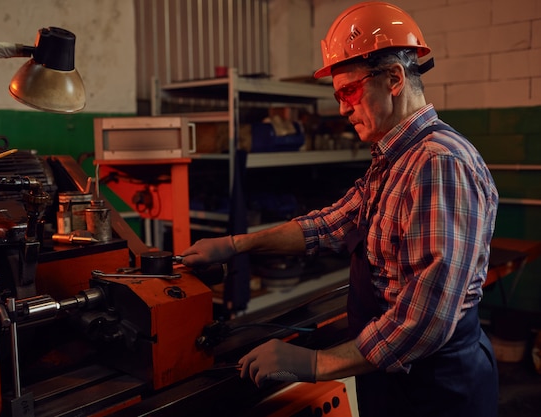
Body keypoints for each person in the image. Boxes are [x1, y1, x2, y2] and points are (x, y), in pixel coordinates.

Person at [181, 2, 499, 416]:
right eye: (338, 95)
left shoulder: (438, 164)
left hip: (436, 387)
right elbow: (332, 223)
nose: (342, 108)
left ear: (394, 78)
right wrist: (237, 244)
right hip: (392, 376)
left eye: (349, 91)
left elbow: (427, 320)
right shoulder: (392, 160)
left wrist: (314, 363)